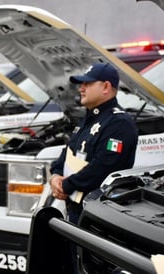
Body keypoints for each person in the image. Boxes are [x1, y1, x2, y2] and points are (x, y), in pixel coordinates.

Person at [49, 63, 138, 224]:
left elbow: (104, 167)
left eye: (87, 84)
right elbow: (69, 151)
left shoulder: (119, 123)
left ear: (106, 87)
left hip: (97, 216)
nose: (81, 89)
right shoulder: (89, 119)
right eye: (81, 84)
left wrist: (66, 185)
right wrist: (55, 176)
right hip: (75, 209)